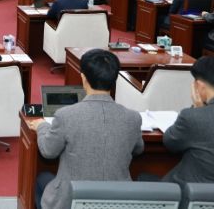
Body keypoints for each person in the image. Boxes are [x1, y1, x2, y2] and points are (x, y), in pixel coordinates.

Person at [28, 49, 143, 209]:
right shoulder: (133, 118)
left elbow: (48, 151)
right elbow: (138, 149)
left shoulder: (65, 115)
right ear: (114, 79)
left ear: (83, 77)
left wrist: (42, 126)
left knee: (40, 179)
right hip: (118, 202)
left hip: (72, 201)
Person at [162, 56, 214, 202]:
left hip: (189, 197)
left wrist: (197, 109)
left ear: (199, 86)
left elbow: (169, 142)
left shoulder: (193, 117)